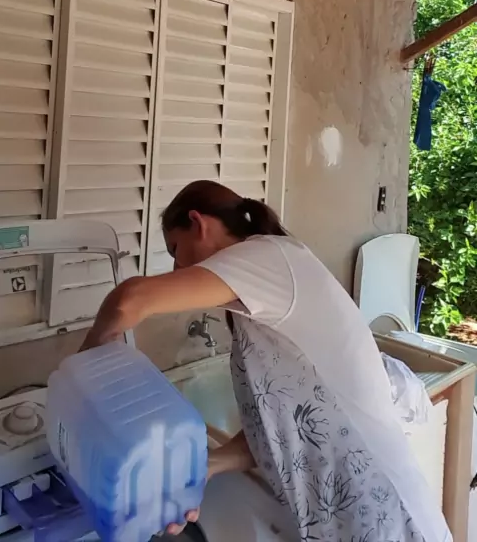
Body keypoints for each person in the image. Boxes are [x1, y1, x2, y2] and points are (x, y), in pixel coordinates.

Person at [82, 181, 452, 542]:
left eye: (176, 248)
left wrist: (80, 374)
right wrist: (205, 468)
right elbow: (276, 430)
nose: (178, 267)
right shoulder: (259, 306)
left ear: (198, 222)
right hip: (345, 519)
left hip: (387, 516)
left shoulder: (269, 258)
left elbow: (129, 300)